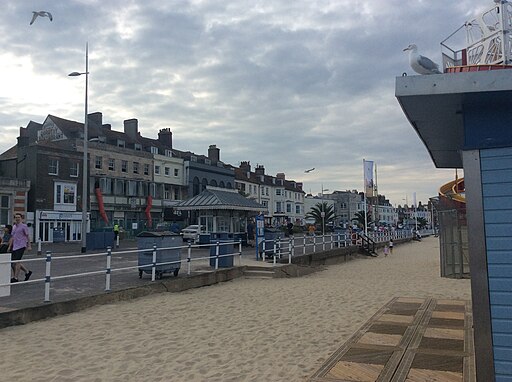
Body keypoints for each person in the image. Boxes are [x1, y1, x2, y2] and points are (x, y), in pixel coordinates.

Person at [8, 213, 32, 283]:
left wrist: (29, 245)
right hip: (15, 246)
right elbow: (12, 237)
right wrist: (9, 246)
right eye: (16, 217)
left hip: (21, 245)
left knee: (17, 262)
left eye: (18, 217)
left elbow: (27, 236)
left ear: (21, 218)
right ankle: (27, 272)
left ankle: (15, 277)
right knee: (13, 262)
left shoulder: (24, 226)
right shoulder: (14, 226)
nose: (17, 218)